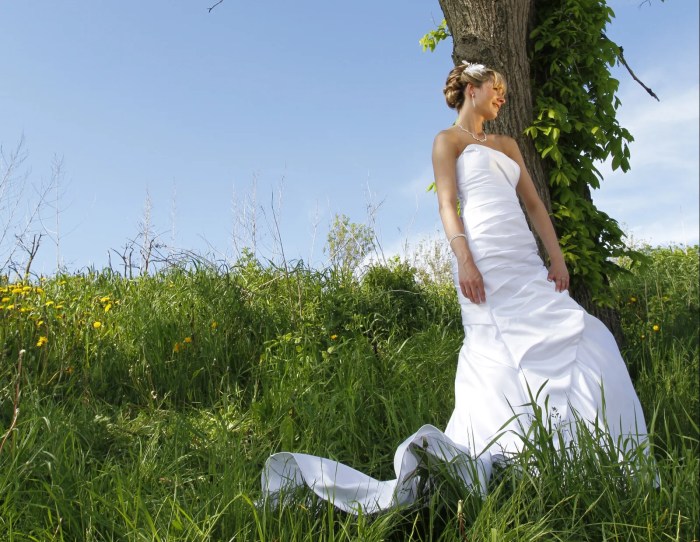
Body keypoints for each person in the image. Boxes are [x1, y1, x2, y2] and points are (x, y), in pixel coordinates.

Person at [260, 61, 650, 515]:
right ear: (471, 88)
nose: (502, 95)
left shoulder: (507, 145)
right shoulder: (446, 141)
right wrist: (464, 258)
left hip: (522, 258)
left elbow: (535, 206)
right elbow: (448, 203)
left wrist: (556, 256)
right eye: (495, 87)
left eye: (505, 89)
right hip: (482, 258)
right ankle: (518, 459)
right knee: (496, 356)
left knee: (590, 338)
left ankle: (588, 459)